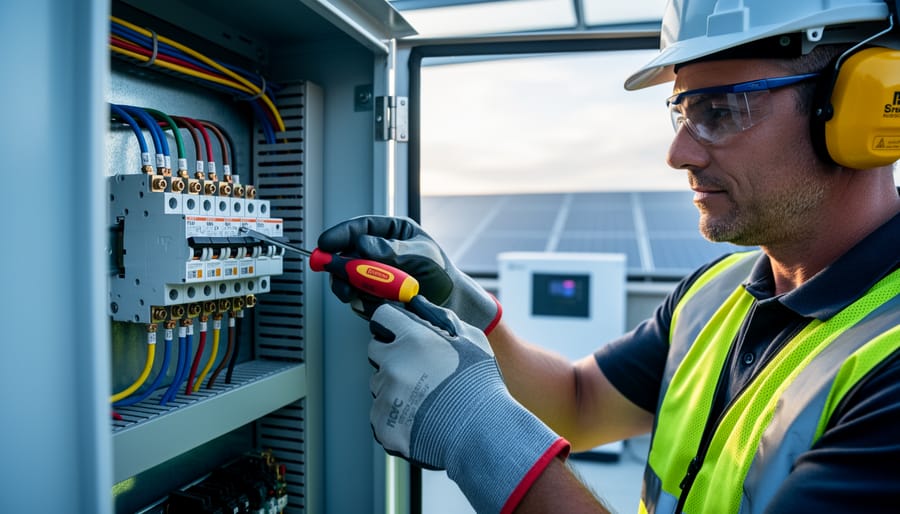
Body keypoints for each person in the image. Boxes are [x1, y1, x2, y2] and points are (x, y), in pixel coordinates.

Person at [317, 0, 900, 512]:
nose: (678, 153)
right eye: (683, 112)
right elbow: (577, 403)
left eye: (719, 111)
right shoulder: (714, 292)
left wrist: (478, 433)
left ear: (858, 106)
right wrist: (459, 301)